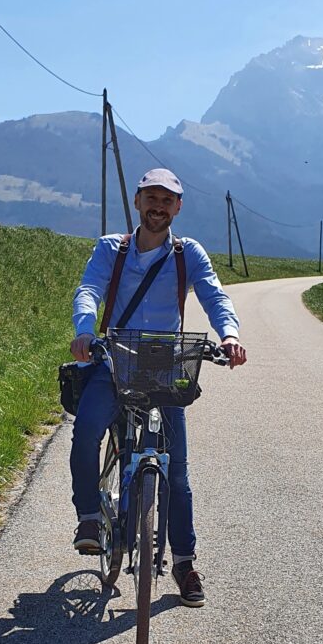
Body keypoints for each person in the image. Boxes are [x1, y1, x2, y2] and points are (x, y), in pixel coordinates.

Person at [69, 167, 247, 607]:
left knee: (178, 471)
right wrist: (84, 329)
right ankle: (89, 517)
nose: (158, 207)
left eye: (167, 201)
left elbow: (214, 296)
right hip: (114, 359)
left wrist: (230, 335)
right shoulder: (113, 248)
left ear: (178, 208)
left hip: (168, 365)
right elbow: (89, 288)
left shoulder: (189, 254)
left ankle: (185, 563)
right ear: (137, 202)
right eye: (152, 198)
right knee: (87, 429)